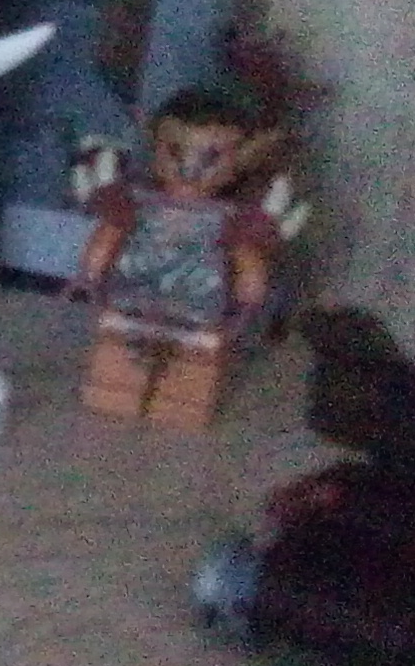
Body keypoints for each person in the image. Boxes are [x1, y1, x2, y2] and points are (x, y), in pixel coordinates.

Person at [71, 84, 291, 427]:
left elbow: (247, 265)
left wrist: (247, 301)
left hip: (201, 313)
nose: (191, 167)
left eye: (212, 157)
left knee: (189, 380)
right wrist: (93, 273)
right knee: (114, 370)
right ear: (155, 146)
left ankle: (177, 404)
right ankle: (115, 394)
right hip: (129, 299)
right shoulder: (135, 204)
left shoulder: (231, 220)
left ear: (243, 159)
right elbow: (107, 238)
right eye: (176, 150)